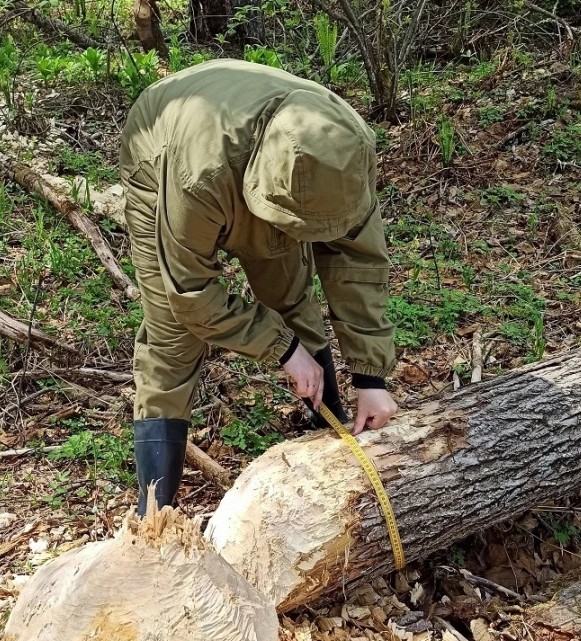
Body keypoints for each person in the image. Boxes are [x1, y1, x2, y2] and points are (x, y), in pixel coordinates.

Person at [120, 58, 397, 515]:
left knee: (289, 292)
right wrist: (282, 350)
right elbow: (189, 292)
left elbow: (357, 258)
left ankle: (329, 429)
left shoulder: (344, 151)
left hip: (252, 155)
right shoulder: (197, 175)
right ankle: (153, 509)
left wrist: (370, 375)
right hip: (162, 145)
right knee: (173, 336)